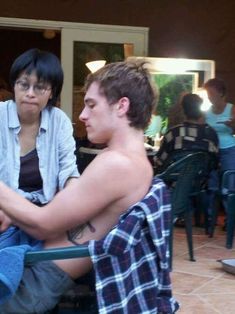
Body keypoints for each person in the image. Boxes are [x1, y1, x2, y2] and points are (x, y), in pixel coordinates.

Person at [0, 60, 179, 313]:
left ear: (122, 106)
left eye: (91, 105)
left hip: (38, 278)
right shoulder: (134, 161)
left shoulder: (117, 164)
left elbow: (43, 224)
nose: (82, 115)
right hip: (43, 266)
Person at [0, 48, 79, 209]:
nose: (30, 93)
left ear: (51, 93)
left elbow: (68, 172)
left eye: (40, 87)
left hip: (44, 209)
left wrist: (71, 199)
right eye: (23, 84)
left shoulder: (59, 121)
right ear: (14, 85)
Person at [154, 93, 219, 174]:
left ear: (183, 110)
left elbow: (159, 162)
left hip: (173, 183)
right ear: (200, 110)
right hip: (201, 184)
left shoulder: (172, 134)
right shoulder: (211, 134)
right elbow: (215, 164)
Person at [204, 78, 235, 229]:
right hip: (212, 152)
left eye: (211, 93)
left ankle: (230, 221)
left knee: (229, 187)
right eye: (207, 93)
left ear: (221, 93)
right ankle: (210, 219)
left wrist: (233, 125)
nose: (209, 96)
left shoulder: (232, 108)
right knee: (212, 186)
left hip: (229, 150)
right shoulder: (207, 113)